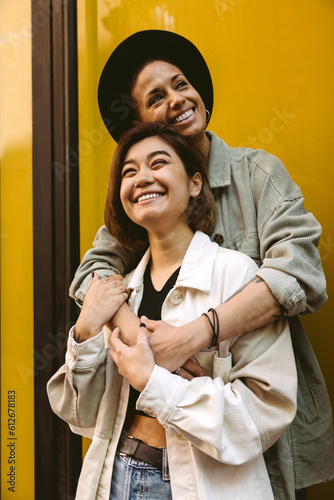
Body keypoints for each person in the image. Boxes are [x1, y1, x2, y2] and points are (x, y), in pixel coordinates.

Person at [69, 30, 334, 498]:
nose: (178, 99)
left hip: (255, 421)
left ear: (195, 186)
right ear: (140, 126)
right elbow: (92, 277)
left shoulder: (257, 173)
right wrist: (143, 344)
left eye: (181, 84)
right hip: (152, 446)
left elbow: (299, 273)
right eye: (156, 97)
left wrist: (192, 336)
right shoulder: (144, 199)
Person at [48, 121, 298, 500]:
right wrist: (83, 332)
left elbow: (263, 413)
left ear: (195, 184)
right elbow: (79, 415)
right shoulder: (121, 291)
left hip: (202, 485)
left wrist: (155, 382)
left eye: (158, 163)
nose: (142, 178)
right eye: (129, 172)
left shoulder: (236, 275)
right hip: (113, 476)